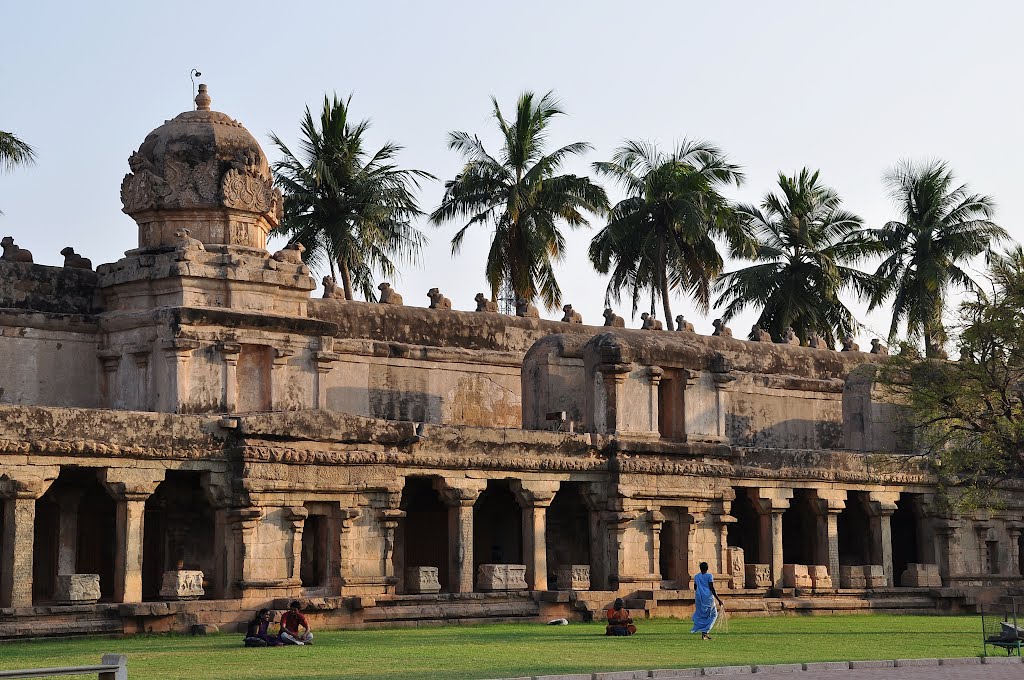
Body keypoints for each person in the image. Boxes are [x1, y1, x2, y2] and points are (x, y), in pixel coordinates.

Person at [691, 562, 724, 640]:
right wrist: (718, 599)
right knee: (713, 614)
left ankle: (704, 632)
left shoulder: (696, 577)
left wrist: (700, 593)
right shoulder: (709, 576)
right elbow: (712, 588)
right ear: (707, 568)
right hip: (708, 597)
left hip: (699, 597)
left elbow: (695, 587)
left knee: (703, 614)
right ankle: (705, 631)